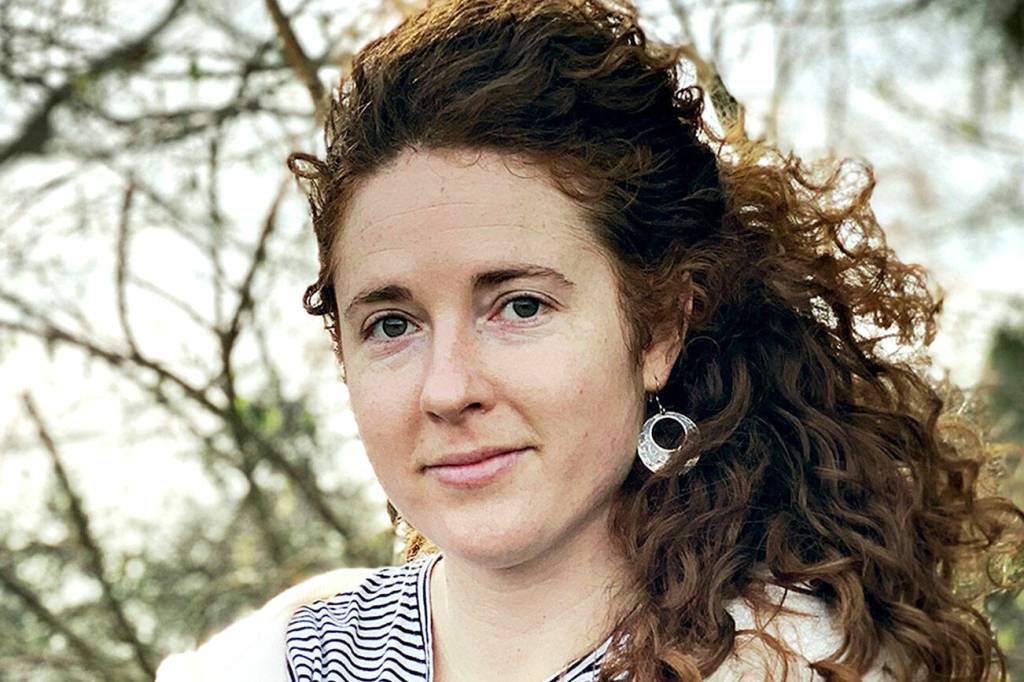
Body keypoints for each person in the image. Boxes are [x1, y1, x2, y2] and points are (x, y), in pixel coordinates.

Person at [156, 0, 1024, 680]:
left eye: (519, 306)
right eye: (392, 323)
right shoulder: (272, 662)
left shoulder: (805, 666)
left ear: (660, 329)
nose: (447, 388)